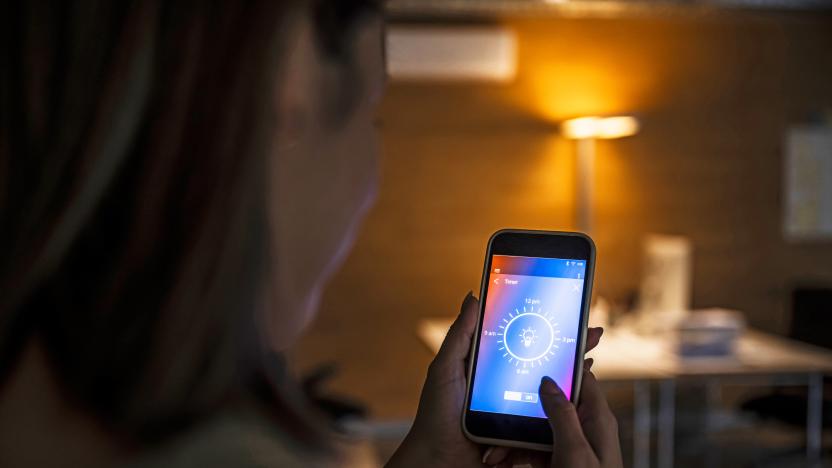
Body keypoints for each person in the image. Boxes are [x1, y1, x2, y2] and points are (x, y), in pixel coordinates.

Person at [0, 1, 623, 467]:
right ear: (292, 75)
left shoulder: (27, 383)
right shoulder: (239, 455)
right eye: (373, 115)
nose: (374, 179)